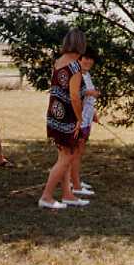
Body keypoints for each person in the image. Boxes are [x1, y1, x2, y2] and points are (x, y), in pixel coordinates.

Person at [39, 28, 90, 209]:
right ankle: (47, 196)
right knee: (66, 158)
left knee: (65, 156)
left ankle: (68, 195)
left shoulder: (59, 61)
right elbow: (75, 97)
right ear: (80, 44)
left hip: (54, 114)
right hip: (66, 117)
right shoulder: (75, 66)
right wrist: (79, 119)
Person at [70, 47, 100, 197]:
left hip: (87, 119)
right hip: (78, 120)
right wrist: (90, 92)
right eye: (85, 58)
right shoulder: (77, 75)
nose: (88, 61)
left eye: (90, 59)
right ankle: (75, 185)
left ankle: (75, 180)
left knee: (79, 152)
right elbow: (75, 95)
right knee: (75, 152)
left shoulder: (87, 75)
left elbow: (88, 99)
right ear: (79, 60)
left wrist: (93, 112)